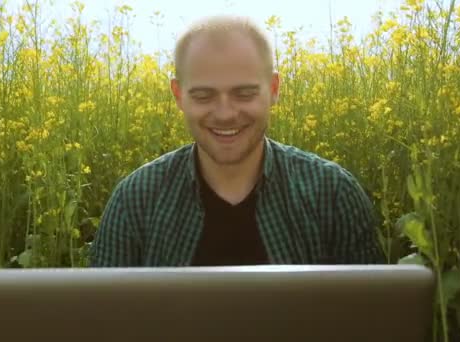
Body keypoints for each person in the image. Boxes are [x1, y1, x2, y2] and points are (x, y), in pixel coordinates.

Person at [90, 15, 384, 267]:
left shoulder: (331, 195)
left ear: (274, 89)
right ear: (178, 96)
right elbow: (100, 323)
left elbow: (374, 323)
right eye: (204, 96)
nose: (225, 113)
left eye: (244, 94)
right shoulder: (136, 200)